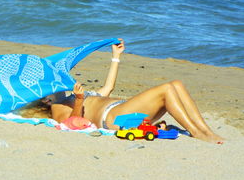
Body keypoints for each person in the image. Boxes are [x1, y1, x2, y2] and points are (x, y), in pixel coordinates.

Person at [42, 39, 224, 144]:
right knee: (167, 88)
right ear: (45, 99)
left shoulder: (71, 96)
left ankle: (205, 130)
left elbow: (108, 88)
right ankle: (196, 132)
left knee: (177, 84)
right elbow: (72, 122)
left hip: (124, 110)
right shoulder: (56, 106)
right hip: (114, 118)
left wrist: (116, 57)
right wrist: (80, 100)